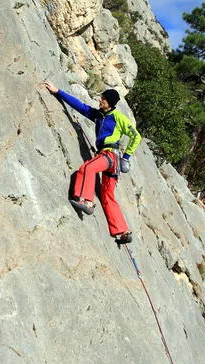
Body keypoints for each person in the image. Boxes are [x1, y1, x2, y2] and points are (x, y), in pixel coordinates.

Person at [44, 81, 141, 244]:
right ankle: (123, 231)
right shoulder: (99, 115)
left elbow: (136, 136)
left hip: (110, 155)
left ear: (109, 102)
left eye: (102, 99)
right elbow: (80, 107)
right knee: (107, 195)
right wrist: (57, 91)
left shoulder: (119, 118)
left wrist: (127, 157)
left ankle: (86, 202)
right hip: (112, 162)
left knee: (87, 168)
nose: (99, 100)